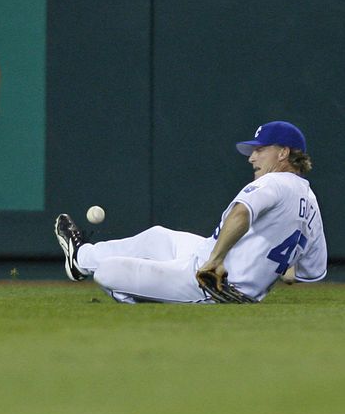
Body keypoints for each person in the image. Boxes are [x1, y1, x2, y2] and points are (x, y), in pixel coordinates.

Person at [53, 121, 327, 304]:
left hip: (211, 282)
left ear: (284, 153)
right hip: (212, 263)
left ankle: (157, 305)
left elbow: (241, 213)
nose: (251, 157)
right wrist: (280, 265)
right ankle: (80, 259)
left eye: (260, 150)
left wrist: (215, 260)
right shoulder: (310, 202)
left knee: (108, 273)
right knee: (158, 237)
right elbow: (307, 272)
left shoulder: (272, 182)